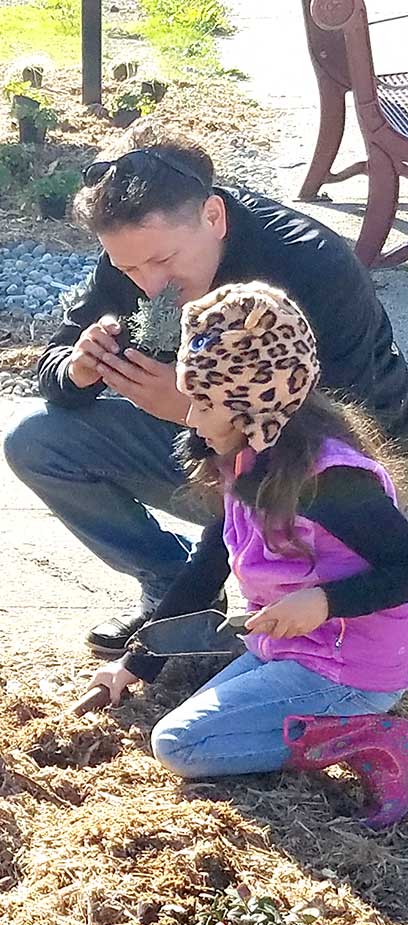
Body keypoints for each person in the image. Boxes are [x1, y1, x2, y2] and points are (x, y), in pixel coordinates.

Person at [3, 130, 408, 656]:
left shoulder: (310, 266)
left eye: (163, 262)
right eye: (128, 268)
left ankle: (288, 612)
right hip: (213, 447)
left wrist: (196, 411)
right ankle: (175, 588)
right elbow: (53, 368)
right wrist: (77, 369)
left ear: (213, 216)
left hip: (339, 477)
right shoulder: (136, 251)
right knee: (36, 441)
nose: (148, 285)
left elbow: (341, 429)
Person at [89, 283, 408, 794]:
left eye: (205, 404)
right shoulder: (247, 458)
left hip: (350, 668)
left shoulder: (326, 482)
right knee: (192, 726)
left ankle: (367, 733)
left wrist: (326, 601)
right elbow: (206, 565)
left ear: (253, 407)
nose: (191, 419)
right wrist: (137, 661)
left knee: (178, 744)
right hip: (289, 648)